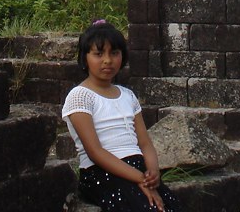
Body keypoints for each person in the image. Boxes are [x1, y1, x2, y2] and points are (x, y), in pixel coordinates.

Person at [62, 20, 180, 212]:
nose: (107, 60)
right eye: (98, 54)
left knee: (169, 206)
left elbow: (145, 143)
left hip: (137, 168)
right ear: (85, 58)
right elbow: (95, 152)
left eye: (114, 53)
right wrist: (139, 179)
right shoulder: (80, 96)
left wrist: (152, 173)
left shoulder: (127, 95)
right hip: (101, 172)